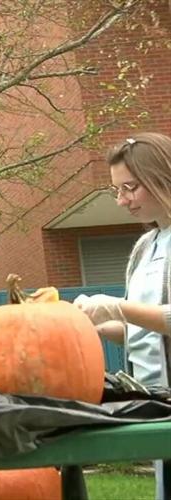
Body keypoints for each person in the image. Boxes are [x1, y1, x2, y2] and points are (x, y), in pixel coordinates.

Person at [73, 131, 171, 500]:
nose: (121, 200)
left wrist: (116, 305)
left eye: (129, 188)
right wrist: (93, 325)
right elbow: (141, 333)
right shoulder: (145, 246)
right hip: (158, 405)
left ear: (161, 176)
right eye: (117, 190)